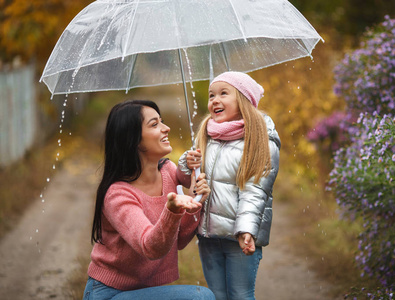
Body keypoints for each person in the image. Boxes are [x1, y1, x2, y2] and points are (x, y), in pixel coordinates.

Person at [83, 100, 215, 300]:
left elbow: (177, 241)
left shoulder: (168, 172)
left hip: (146, 291)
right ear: (133, 139)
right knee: (200, 297)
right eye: (155, 124)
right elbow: (151, 247)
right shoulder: (117, 194)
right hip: (111, 294)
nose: (166, 128)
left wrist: (197, 200)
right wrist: (172, 211)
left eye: (161, 121)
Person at [177, 72, 281, 300]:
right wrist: (187, 164)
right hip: (208, 235)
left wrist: (246, 230)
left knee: (240, 295)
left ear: (244, 99)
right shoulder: (207, 135)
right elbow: (191, 181)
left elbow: (256, 192)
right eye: (211, 95)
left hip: (239, 237)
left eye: (224, 93)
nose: (215, 100)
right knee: (216, 296)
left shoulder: (259, 139)